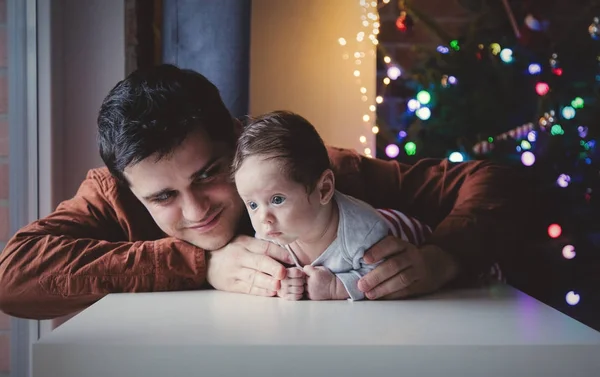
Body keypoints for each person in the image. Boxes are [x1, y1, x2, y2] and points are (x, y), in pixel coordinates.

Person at [0, 64, 526, 320]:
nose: (196, 210)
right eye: (162, 198)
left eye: (209, 173)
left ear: (237, 137)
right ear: (130, 189)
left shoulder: (316, 175)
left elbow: (496, 180)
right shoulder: (112, 194)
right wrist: (198, 264)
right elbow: (13, 278)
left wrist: (442, 259)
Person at [232, 111, 432, 301]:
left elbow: (385, 272)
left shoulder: (364, 234)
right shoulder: (271, 235)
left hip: (404, 226)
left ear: (324, 190)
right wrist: (284, 283)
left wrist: (336, 286)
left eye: (277, 200)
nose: (263, 218)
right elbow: (269, 272)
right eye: (252, 204)